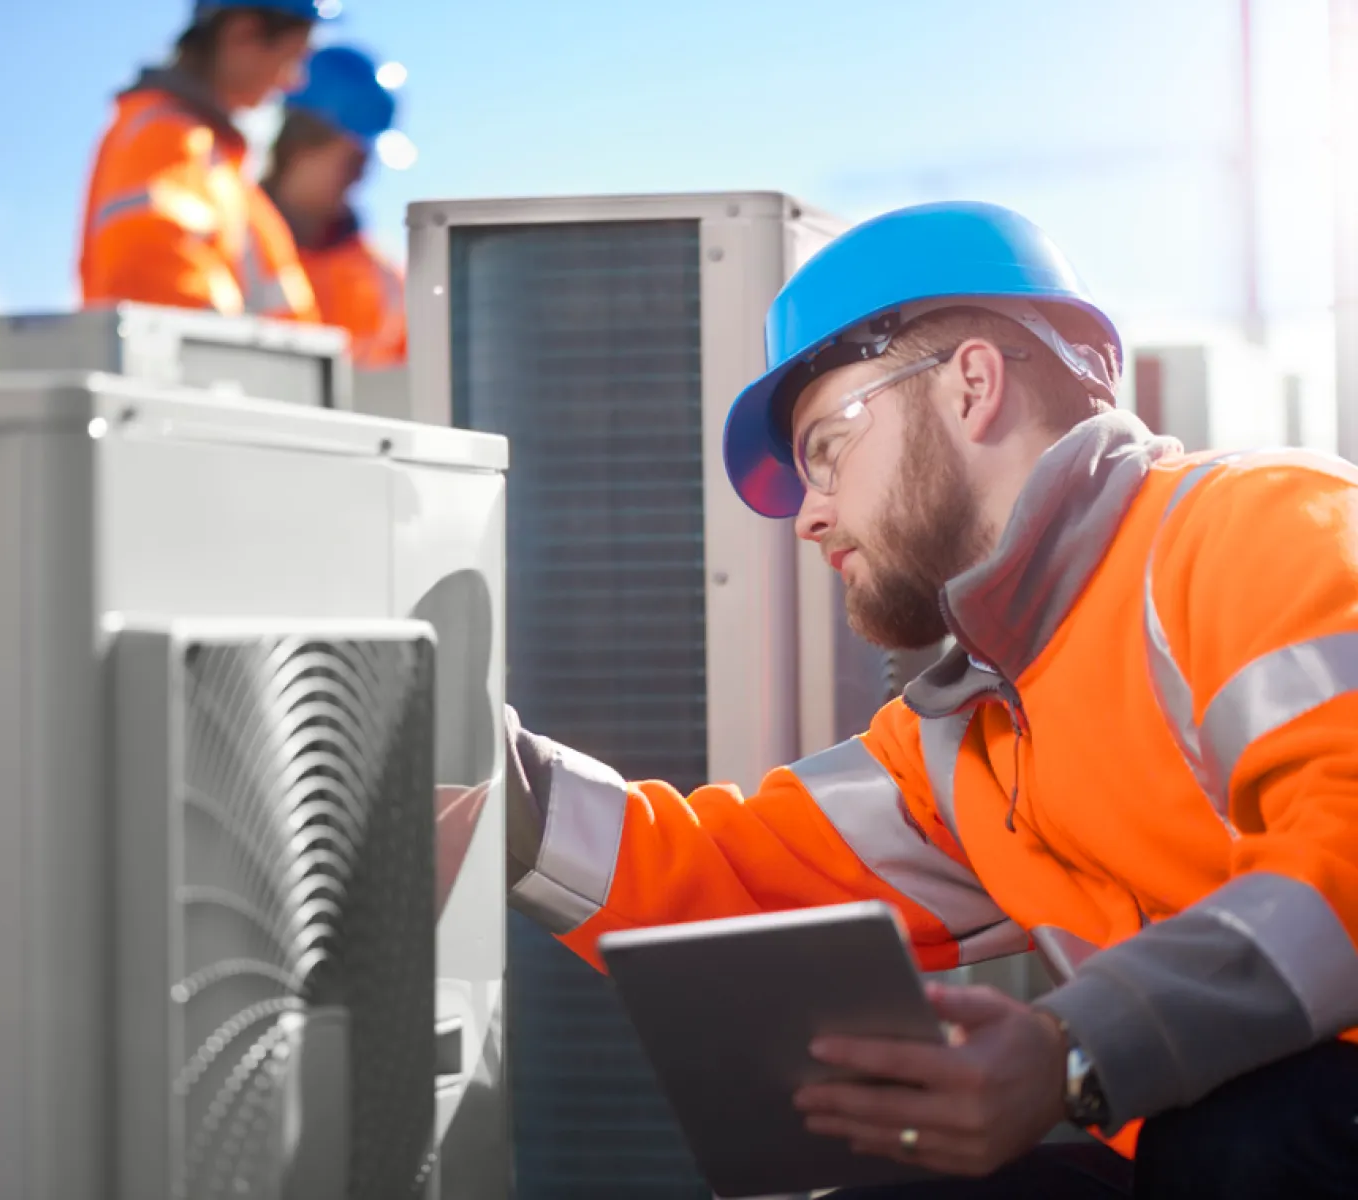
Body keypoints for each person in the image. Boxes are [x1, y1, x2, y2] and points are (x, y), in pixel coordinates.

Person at [501, 201, 1358, 1199]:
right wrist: (484, 789)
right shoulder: (967, 731)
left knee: (1244, 1132)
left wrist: (1073, 1049)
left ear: (972, 386)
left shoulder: (1266, 529)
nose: (808, 515)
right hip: (1204, 1151)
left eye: (825, 449)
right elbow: (722, 875)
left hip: (1277, 1135)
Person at [78, 1, 326, 324]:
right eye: (292, 59)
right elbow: (158, 291)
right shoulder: (165, 138)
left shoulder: (216, 161)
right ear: (243, 34)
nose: (294, 82)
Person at [262, 45, 408, 369]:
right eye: (353, 161)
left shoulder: (385, 279)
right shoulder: (229, 239)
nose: (360, 177)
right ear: (299, 144)